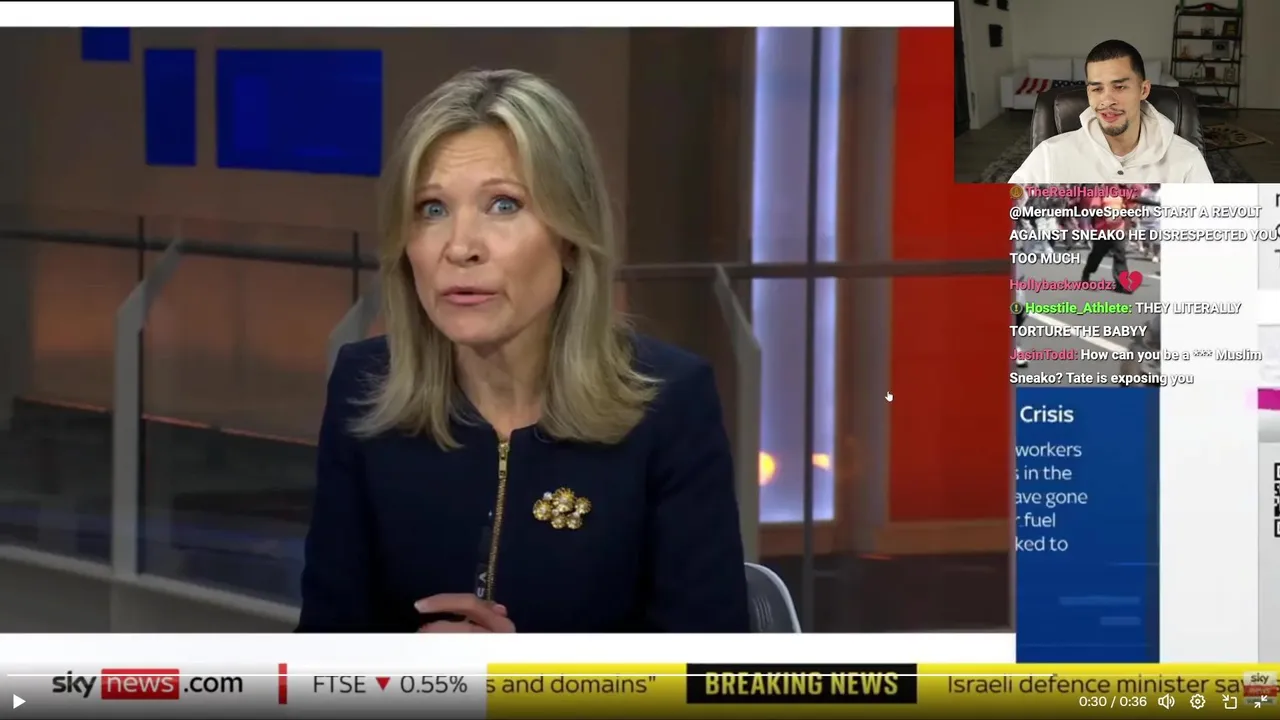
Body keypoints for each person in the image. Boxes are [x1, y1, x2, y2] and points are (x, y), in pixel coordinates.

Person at [298, 69, 750, 633]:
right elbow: (323, 649)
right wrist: (410, 669)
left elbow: (708, 670)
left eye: (503, 205)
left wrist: (524, 675)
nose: (460, 247)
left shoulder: (669, 406)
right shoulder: (363, 386)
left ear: (570, 238)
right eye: (432, 209)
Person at [1009, 40, 1212, 184]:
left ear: (1143, 90)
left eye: (1119, 87)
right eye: (1097, 89)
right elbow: (1006, 214)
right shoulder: (1050, 155)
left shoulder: (1186, 158)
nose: (1106, 101)